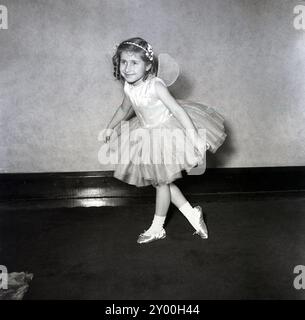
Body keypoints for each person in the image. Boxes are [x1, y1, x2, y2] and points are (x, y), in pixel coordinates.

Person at [101, 37, 226, 244]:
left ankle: (157, 228)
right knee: (162, 181)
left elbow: (178, 110)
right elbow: (124, 109)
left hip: (167, 134)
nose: (128, 68)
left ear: (148, 65)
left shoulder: (155, 85)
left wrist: (194, 138)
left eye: (134, 63)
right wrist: (109, 127)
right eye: (123, 62)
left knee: (161, 183)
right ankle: (193, 214)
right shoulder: (128, 86)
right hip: (145, 134)